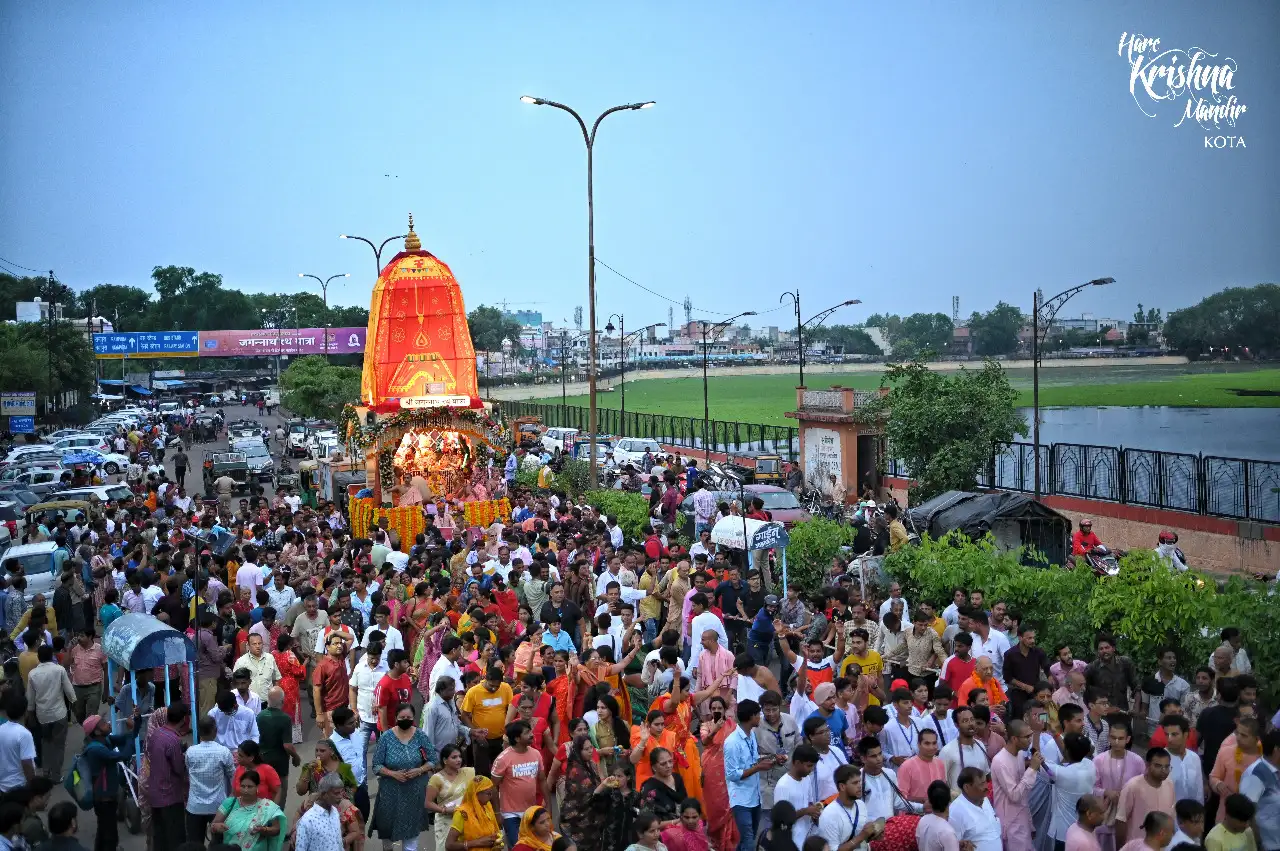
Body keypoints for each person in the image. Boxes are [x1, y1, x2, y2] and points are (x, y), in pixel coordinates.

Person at [370, 702, 437, 851]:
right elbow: (376, 765)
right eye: (402, 717)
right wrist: (392, 773)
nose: (405, 719)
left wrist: (419, 770)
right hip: (390, 792)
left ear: (413, 718)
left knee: (412, 832)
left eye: (409, 717)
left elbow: (433, 760)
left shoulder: (420, 735)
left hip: (415, 791)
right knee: (388, 829)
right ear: (395, 718)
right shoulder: (386, 737)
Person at [78, 712, 136, 851]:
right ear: (96, 731)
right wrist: (131, 730)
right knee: (110, 834)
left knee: (104, 830)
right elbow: (125, 755)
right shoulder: (96, 750)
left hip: (107, 795)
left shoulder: (105, 740)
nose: (108, 724)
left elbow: (126, 738)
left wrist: (135, 724)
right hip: (104, 799)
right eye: (104, 724)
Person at [492, 720, 548, 849]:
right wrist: (497, 813)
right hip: (510, 814)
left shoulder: (536, 754)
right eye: (527, 733)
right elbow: (493, 787)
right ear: (517, 738)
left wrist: (548, 805)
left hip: (531, 811)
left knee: (535, 846)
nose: (532, 735)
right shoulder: (503, 759)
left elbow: (542, 780)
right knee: (518, 847)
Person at [26, 645, 75, 781]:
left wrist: (30, 715)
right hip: (59, 713)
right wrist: (74, 703)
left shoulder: (33, 674)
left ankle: (46, 773)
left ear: (39, 657)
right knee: (59, 745)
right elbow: (69, 691)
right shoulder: (59, 670)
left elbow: (30, 698)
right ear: (51, 655)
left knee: (46, 743)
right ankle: (57, 775)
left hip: (43, 715)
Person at [146, 702, 190, 850]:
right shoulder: (173, 740)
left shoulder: (157, 733)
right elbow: (178, 768)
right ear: (184, 719)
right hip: (170, 795)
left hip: (155, 794)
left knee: (160, 836)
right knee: (175, 838)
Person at [209, 769, 287, 851]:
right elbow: (213, 825)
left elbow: (277, 829)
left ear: (257, 787)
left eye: (250, 787)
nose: (245, 790)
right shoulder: (230, 803)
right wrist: (216, 827)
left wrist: (264, 830)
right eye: (243, 786)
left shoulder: (267, 806)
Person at [186, 715, 236, 842]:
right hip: (218, 806)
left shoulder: (190, 752)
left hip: (195, 806)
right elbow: (233, 776)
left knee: (195, 843)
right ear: (215, 731)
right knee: (219, 843)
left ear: (199, 731)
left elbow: (188, 771)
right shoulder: (224, 752)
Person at [1114, 748, 1175, 847]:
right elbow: (1121, 820)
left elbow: (1170, 815)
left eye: (1167, 767)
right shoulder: (1133, 786)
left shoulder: (1170, 784)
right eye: (1158, 766)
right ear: (1147, 765)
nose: (1163, 771)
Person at [816, 764, 879, 850]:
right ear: (842, 786)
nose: (860, 786)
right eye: (855, 783)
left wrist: (873, 834)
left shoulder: (861, 805)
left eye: (859, 781)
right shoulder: (829, 815)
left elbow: (863, 836)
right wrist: (862, 836)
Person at [427, 745, 476, 851]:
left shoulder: (467, 772)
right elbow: (428, 803)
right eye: (454, 757)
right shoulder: (437, 779)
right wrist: (444, 810)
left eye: (459, 756)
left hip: (465, 819)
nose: (458, 760)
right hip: (446, 821)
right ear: (445, 760)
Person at [948, 766, 1002, 851]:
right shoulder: (955, 811)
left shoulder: (985, 799)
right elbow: (953, 846)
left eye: (985, 782)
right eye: (981, 784)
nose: (986, 787)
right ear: (967, 787)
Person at [444, 776, 502, 851]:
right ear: (476, 793)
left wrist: (495, 843)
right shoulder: (462, 813)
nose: (491, 797)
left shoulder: (487, 807)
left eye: (492, 793)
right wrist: (476, 843)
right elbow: (449, 845)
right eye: (488, 793)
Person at [294, 773, 346, 851]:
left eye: (341, 792)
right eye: (336, 793)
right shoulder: (308, 820)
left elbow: (338, 843)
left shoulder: (335, 812)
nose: (340, 796)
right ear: (324, 794)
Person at [916, 780, 961, 851]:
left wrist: (956, 844)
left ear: (930, 801)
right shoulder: (947, 831)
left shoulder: (923, 820)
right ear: (949, 801)